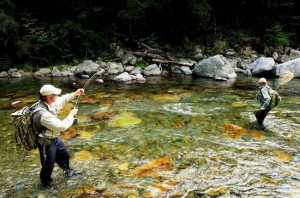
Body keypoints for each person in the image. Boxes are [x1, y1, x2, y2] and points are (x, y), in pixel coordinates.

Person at [32, 84, 85, 188]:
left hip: (54, 137)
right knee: (48, 165)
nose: (57, 96)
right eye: (55, 94)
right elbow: (61, 127)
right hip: (45, 141)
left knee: (65, 155)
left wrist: (76, 93)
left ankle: (67, 171)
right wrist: (71, 115)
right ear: (49, 97)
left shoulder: (50, 102)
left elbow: (63, 99)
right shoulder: (43, 114)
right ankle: (45, 184)